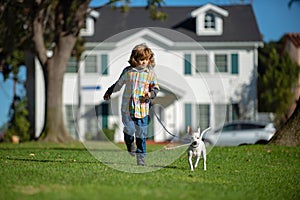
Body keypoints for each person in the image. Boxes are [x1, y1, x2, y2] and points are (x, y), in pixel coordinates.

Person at [103, 43, 160, 166]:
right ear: (135, 59)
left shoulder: (150, 73)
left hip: (143, 109)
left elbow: (155, 88)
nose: (144, 62)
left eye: (146, 59)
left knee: (141, 134)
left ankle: (141, 158)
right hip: (127, 109)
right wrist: (109, 92)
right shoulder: (128, 72)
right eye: (141, 59)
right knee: (129, 130)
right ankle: (129, 144)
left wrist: (151, 94)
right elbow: (118, 84)